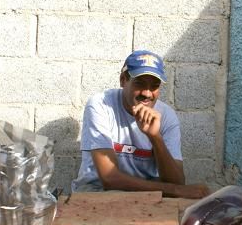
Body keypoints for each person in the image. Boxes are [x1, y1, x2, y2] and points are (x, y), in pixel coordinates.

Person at [71, 50, 211, 199]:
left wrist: (155, 138)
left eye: (154, 86)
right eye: (140, 83)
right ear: (123, 80)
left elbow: (177, 181)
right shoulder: (101, 104)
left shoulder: (167, 116)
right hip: (97, 190)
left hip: (147, 192)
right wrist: (174, 191)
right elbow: (109, 178)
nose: (147, 93)